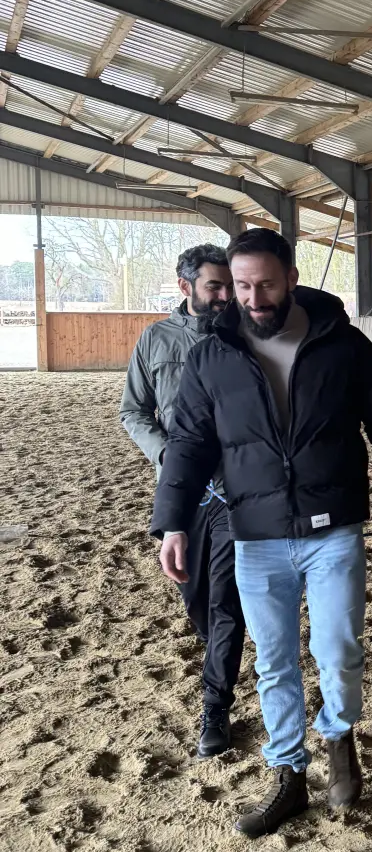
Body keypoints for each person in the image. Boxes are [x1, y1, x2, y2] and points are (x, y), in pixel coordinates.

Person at [151, 228, 372, 838]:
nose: (254, 297)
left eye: (265, 284)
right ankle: (287, 773)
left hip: (332, 530)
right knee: (274, 661)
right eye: (241, 286)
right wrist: (172, 523)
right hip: (255, 536)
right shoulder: (211, 356)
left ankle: (340, 742)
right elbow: (188, 443)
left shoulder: (343, 346)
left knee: (338, 652)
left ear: (292, 278)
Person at [121, 244, 246, 759]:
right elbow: (134, 412)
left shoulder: (243, 335)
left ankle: (215, 706)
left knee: (225, 601)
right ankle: (220, 652)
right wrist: (166, 454)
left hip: (237, 487)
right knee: (195, 597)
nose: (223, 296)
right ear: (185, 286)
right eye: (214, 286)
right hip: (183, 489)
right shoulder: (155, 340)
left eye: (228, 286)